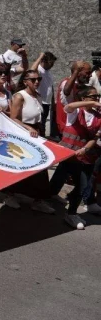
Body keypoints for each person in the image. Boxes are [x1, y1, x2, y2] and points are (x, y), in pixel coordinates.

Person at [50, 86, 101, 230]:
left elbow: (95, 137)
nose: (97, 99)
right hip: (69, 155)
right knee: (60, 177)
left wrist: (85, 149)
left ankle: (71, 213)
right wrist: (93, 103)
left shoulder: (98, 117)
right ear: (84, 99)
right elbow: (69, 106)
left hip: (86, 157)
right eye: (93, 96)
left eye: (98, 96)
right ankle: (45, 198)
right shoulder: (76, 112)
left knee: (82, 185)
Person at [6, 69, 55, 214]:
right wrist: (28, 128)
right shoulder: (20, 96)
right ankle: (10, 195)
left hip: (36, 132)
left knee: (40, 167)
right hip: (24, 133)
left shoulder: (38, 96)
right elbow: (13, 118)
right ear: (25, 81)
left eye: (39, 79)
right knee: (22, 165)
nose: (37, 82)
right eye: (33, 80)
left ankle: (37, 199)